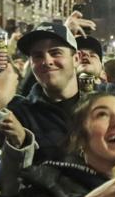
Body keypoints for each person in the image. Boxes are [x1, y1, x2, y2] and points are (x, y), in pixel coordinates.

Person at [9, 21, 81, 163]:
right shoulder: (18, 113)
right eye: (37, 56)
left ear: (76, 59)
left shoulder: (103, 103)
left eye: (56, 53)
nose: (47, 61)